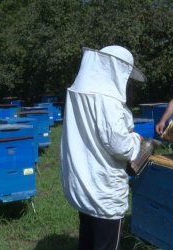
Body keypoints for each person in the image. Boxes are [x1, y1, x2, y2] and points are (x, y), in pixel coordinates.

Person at [60, 45, 146, 250]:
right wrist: (136, 140)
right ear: (117, 69)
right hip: (104, 188)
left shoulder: (79, 92)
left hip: (82, 182)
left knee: (88, 240)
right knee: (106, 244)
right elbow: (121, 146)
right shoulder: (108, 100)